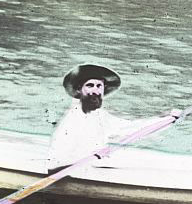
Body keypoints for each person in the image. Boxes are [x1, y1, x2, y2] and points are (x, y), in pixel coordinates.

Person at [46, 63, 180, 173]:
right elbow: (54, 164)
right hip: (75, 171)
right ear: (79, 90)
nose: (95, 91)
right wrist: (91, 157)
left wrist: (167, 119)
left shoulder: (99, 115)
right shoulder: (71, 120)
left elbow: (131, 128)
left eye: (99, 86)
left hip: (90, 166)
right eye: (90, 86)